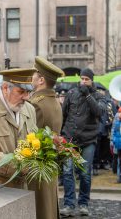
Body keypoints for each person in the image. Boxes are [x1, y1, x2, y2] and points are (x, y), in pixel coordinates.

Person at [60, 68, 106, 217]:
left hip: (88, 140)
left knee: (85, 174)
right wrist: (62, 135)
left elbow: (99, 112)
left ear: (92, 80)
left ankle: (83, 203)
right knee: (67, 172)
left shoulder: (98, 96)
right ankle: (68, 204)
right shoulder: (71, 93)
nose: (84, 81)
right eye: (82, 79)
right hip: (70, 140)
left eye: (87, 79)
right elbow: (64, 114)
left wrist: (87, 95)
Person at [29, 56, 64, 219]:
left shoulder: (36, 103)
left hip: (38, 168)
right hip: (49, 165)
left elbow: (28, 136)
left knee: (41, 209)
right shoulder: (54, 101)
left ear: (41, 80)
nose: (32, 78)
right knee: (48, 207)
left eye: (35, 75)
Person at [110, 107, 121, 183]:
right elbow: (114, 131)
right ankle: (119, 177)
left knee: (119, 161)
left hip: (118, 143)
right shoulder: (117, 122)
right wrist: (113, 141)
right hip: (118, 144)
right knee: (119, 161)